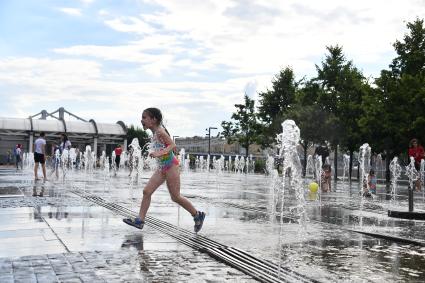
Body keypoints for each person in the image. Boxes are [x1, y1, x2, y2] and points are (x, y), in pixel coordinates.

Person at [123, 107, 206, 232]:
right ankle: (140, 220)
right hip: (162, 168)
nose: (142, 120)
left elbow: (172, 145)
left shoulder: (160, 131)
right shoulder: (155, 133)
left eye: (144, 117)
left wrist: (159, 153)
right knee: (147, 191)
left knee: (175, 197)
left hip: (171, 166)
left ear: (153, 119)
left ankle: (197, 214)